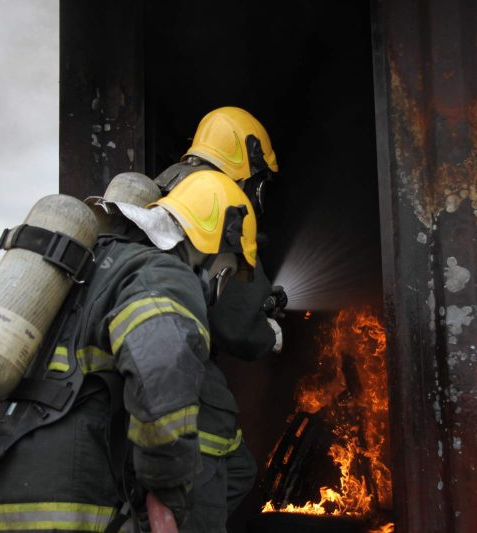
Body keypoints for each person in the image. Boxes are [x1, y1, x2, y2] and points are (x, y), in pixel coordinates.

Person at [0, 169, 258, 533]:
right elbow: (162, 369)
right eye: (229, 272)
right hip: (69, 507)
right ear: (220, 246)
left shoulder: (88, 267)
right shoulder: (161, 274)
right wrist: (168, 493)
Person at [154, 107, 288, 528]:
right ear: (247, 159)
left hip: (149, 353)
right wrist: (269, 332)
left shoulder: (168, 186)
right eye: (260, 176)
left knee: (239, 470)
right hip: (182, 372)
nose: (258, 189)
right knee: (215, 479)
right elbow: (236, 321)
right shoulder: (219, 196)